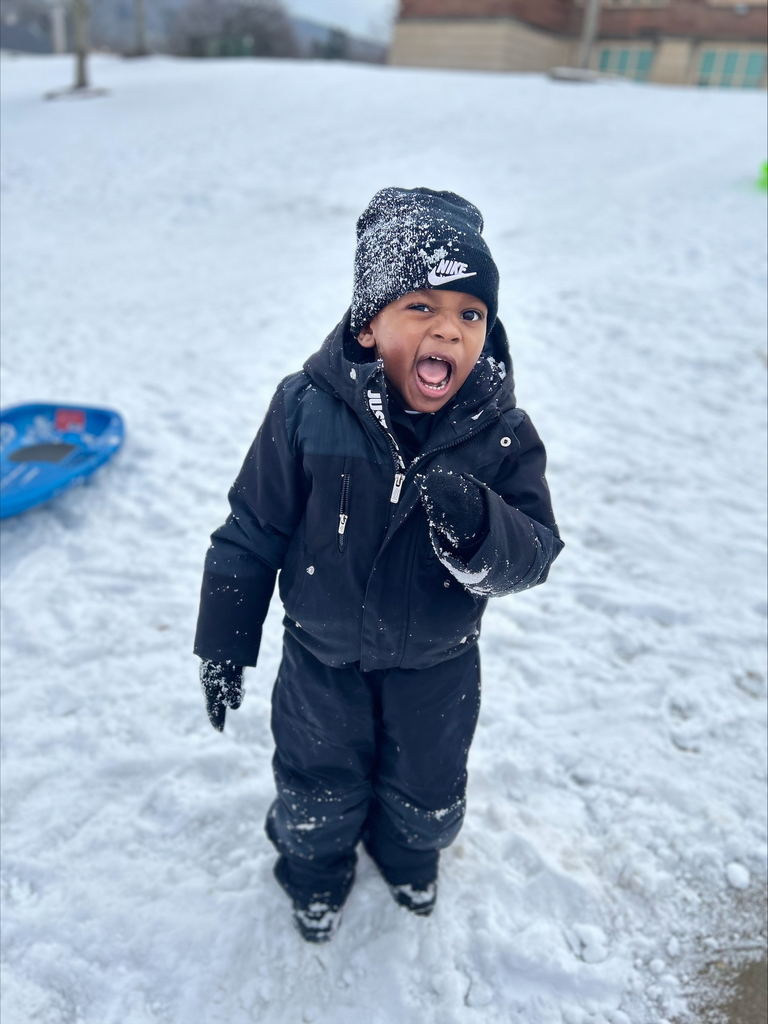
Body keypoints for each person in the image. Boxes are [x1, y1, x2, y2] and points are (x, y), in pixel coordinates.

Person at [194, 187, 563, 943]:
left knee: (426, 789)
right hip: (319, 663)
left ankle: (407, 860)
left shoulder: (499, 433)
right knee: (314, 787)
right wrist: (223, 640)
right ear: (369, 325)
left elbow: (533, 552)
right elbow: (252, 529)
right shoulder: (305, 409)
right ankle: (314, 874)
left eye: (470, 314)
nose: (449, 332)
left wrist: (481, 528)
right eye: (422, 308)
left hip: (438, 666)